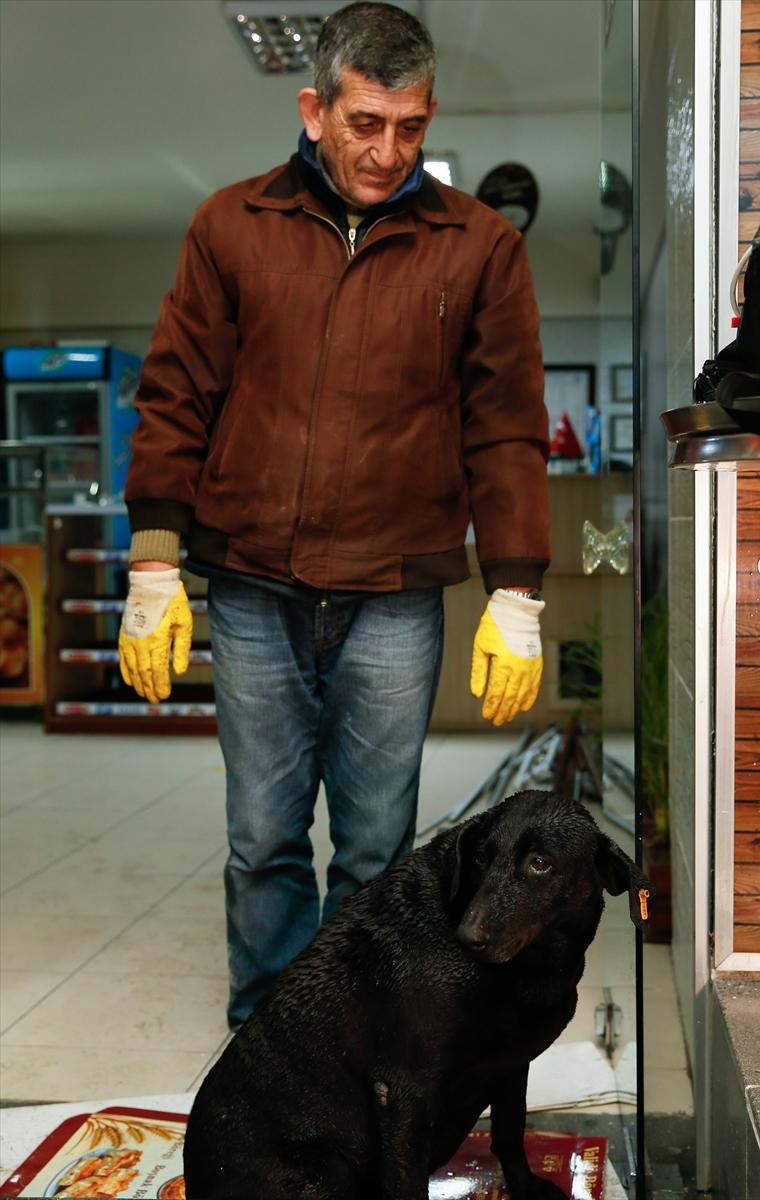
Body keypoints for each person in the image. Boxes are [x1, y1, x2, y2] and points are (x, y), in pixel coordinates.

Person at [119, 0, 551, 1031]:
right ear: (314, 109)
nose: (387, 151)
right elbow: (176, 392)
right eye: (365, 124)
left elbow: (505, 427)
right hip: (253, 583)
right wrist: (152, 564)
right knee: (263, 836)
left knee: (373, 844)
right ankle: (268, 1033)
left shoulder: (478, 248)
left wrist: (518, 590)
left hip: (395, 595)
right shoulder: (231, 226)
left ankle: (354, 1035)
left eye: (410, 127)